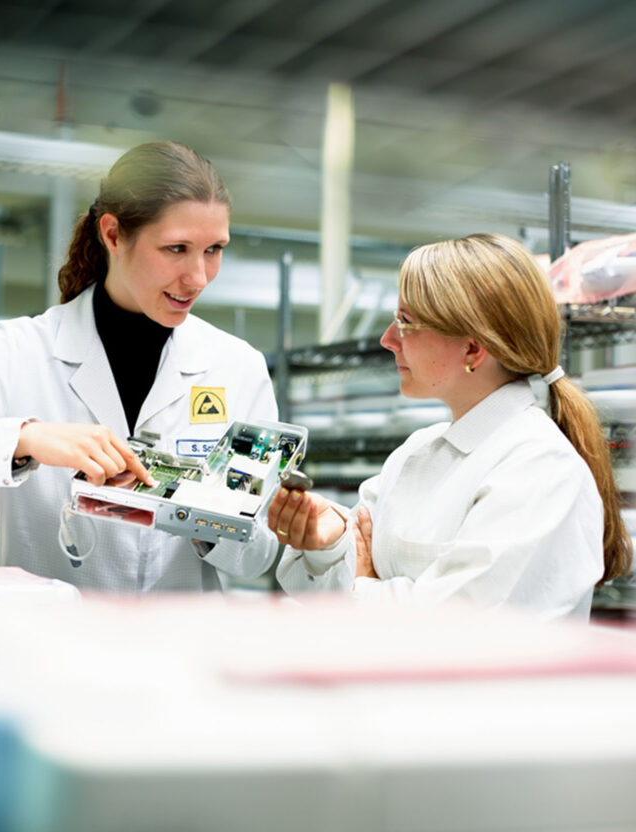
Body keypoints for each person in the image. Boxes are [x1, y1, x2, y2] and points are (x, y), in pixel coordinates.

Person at [0, 141, 279, 592]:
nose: (198, 277)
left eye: (214, 249)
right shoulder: (20, 351)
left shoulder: (237, 368)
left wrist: (203, 516)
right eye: (177, 248)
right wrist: (24, 439)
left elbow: (258, 557)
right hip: (50, 649)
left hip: (180, 652)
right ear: (114, 234)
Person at [269, 232, 632, 619]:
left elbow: (456, 631)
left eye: (406, 322)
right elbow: (332, 586)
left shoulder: (541, 470)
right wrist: (329, 546)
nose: (388, 339)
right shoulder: (416, 452)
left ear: (473, 349)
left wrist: (360, 584)